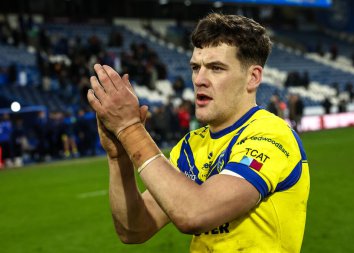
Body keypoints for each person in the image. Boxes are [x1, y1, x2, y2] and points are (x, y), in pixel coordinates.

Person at [87, 13, 310, 253]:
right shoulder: (191, 146)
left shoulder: (271, 135)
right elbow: (134, 229)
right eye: (196, 67)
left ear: (252, 77)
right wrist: (119, 156)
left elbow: (195, 213)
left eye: (216, 68)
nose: (199, 79)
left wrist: (130, 130)